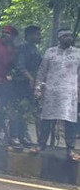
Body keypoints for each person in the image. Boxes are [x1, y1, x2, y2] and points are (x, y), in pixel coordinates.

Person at [31, 29, 80, 161]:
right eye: (65, 36)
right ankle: (41, 145)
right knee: (47, 120)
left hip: (70, 94)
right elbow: (42, 71)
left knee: (70, 122)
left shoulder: (78, 53)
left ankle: (70, 149)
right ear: (59, 38)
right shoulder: (50, 52)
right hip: (51, 92)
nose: (69, 38)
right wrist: (38, 88)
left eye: (70, 36)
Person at [7, 26, 42, 151]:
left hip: (29, 86)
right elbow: (20, 67)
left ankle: (22, 137)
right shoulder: (22, 48)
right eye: (37, 34)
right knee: (16, 111)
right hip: (19, 84)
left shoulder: (35, 50)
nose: (39, 37)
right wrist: (31, 79)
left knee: (25, 112)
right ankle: (14, 137)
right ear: (29, 35)